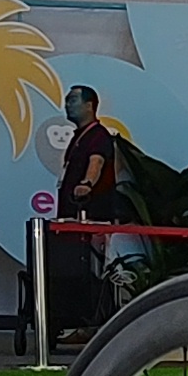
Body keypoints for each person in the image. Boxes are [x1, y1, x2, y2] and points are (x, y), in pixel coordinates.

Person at [50, 84, 125, 342]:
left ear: (89, 105)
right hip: (73, 218)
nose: (67, 105)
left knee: (90, 272)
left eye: (73, 100)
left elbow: (97, 162)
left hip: (91, 218)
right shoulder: (78, 136)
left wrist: (86, 184)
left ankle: (90, 325)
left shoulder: (98, 136)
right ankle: (75, 322)